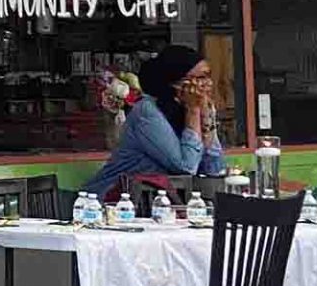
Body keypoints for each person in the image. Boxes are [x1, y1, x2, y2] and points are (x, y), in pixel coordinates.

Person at [95, 46, 226, 198]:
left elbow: (214, 169)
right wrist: (194, 111)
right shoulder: (147, 112)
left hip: (162, 203)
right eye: (201, 78)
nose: (208, 84)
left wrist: (207, 118)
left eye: (208, 76)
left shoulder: (189, 107)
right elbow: (186, 167)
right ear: (176, 82)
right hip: (114, 203)